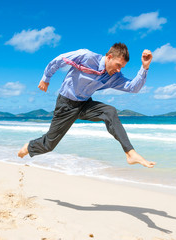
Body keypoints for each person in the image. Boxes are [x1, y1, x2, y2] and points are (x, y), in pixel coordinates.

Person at [18, 43, 156, 168]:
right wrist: (46, 78)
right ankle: (30, 147)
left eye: (122, 67)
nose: (119, 70)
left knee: (110, 112)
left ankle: (130, 153)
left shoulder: (113, 76)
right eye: (118, 65)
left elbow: (133, 87)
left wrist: (145, 67)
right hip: (66, 104)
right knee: (48, 145)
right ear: (109, 57)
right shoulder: (87, 56)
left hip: (85, 104)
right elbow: (60, 59)